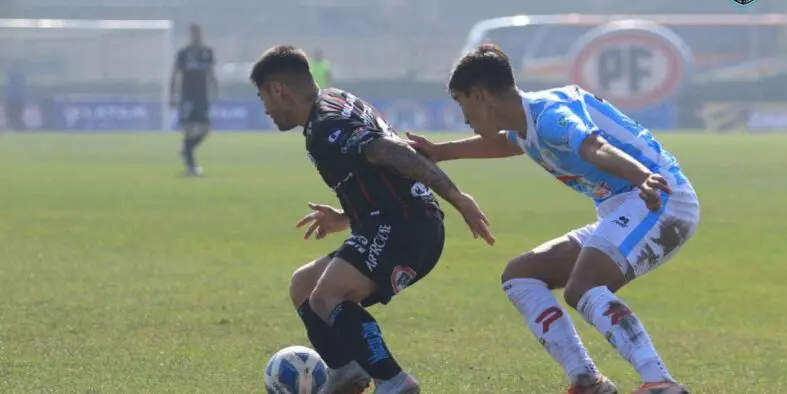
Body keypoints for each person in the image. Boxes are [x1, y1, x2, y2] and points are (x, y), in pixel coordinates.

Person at [407, 44, 698, 394]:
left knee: (584, 287)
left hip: (659, 198)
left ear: (479, 95)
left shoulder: (550, 116)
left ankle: (660, 381)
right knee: (521, 276)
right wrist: (441, 152)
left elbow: (595, 147)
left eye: (461, 102)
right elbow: (511, 143)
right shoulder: (528, 122)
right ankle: (586, 380)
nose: (463, 115)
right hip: (628, 204)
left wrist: (640, 177)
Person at [249, 45, 494, 394]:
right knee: (304, 285)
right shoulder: (334, 101)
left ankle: (393, 380)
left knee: (327, 297)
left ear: (278, 90)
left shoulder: (327, 124)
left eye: (263, 98)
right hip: (392, 221)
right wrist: (345, 215)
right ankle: (346, 371)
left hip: (406, 226)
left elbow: (391, 152)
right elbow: (376, 175)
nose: (266, 109)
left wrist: (457, 197)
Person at [170, 23, 218, 176]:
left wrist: (215, 90)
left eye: (198, 33)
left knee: (205, 129)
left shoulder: (206, 52)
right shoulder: (183, 53)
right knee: (189, 128)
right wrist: (172, 95)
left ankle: (186, 148)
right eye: (193, 33)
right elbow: (175, 74)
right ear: (189, 35)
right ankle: (191, 164)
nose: (195, 36)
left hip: (202, 96)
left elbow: (211, 73)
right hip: (187, 96)